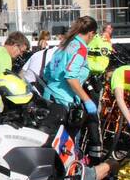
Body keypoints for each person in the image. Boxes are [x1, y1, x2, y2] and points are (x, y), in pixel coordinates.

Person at [42, 15, 103, 159]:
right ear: (91, 33)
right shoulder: (80, 48)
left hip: (49, 96)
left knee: (50, 143)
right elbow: (71, 77)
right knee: (66, 146)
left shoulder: (63, 45)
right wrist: (86, 100)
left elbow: (47, 72)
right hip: (64, 101)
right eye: (94, 36)